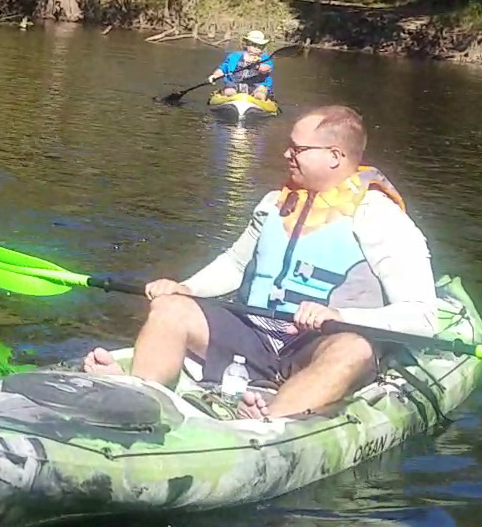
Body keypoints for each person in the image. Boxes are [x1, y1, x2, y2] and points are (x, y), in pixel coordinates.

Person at [82, 105, 440, 419]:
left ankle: (270, 420)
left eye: (298, 149)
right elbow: (235, 265)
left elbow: (423, 317)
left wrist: (342, 317)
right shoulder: (275, 203)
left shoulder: (381, 217)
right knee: (171, 308)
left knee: (353, 348)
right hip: (255, 333)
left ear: (335, 155)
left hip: (318, 346)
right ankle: (137, 396)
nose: (286, 154)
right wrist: (185, 288)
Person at [210, 31, 274, 100]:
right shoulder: (234, 56)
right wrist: (215, 76)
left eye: (260, 46)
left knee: (260, 94)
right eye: (254, 45)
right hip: (234, 84)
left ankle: (258, 103)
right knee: (229, 92)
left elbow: (265, 69)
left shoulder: (265, 58)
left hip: (257, 86)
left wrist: (256, 66)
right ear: (247, 44)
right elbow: (222, 69)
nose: (257, 48)